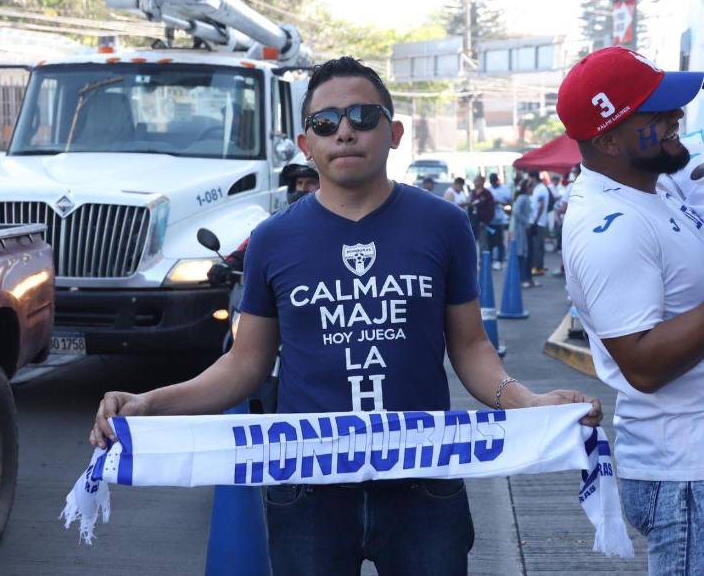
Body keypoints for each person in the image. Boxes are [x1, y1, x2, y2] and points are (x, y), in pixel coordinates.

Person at [91, 56, 602, 576]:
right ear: (305, 142)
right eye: (325, 123)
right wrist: (152, 404)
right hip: (307, 487)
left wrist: (530, 402)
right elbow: (246, 365)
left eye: (363, 116)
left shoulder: (444, 225)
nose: (345, 132)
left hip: (423, 481)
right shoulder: (273, 239)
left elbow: (470, 348)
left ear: (395, 132)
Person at [558, 46, 704, 575]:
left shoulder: (654, 186)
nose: (678, 118)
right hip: (684, 474)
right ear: (609, 139)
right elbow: (642, 365)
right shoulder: (610, 226)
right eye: (658, 112)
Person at [207, 159, 319, 284]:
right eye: (299, 182)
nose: (303, 188)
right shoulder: (278, 223)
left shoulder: (335, 221)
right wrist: (228, 265)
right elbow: (252, 247)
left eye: (310, 183)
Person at [510, 179, 537, 288]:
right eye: (531, 187)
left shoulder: (526, 198)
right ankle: (523, 279)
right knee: (522, 254)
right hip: (521, 231)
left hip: (526, 230)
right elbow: (516, 212)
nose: (533, 189)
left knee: (528, 254)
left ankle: (528, 278)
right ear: (527, 187)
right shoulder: (522, 198)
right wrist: (526, 222)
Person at [487, 172, 512, 270]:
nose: (493, 183)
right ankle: (490, 260)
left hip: (501, 219)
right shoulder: (488, 190)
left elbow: (510, 201)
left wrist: (500, 202)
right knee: (490, 241)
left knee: (500, 241)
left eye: (494, 181)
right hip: (490, 219)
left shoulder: (504, 189)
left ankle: (500, 260)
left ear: (497, 180)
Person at [527, 171, 549, 276]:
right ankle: (538, 266)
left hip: (539, 222)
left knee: (538, 245)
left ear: (534, 178)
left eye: (529, 179)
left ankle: (538, 267)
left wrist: (535, 220)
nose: (529, 181)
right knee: (537, 245)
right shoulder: (538, 188)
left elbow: (541, 205)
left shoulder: (541, 189)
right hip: (538, 221)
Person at [468, 174, 494, 253]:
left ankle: (484, 263)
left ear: (482, 182)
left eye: (477, 181)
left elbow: (491, 209)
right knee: (471, 243)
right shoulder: (472, 193)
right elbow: (469, 205)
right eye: (475, 181)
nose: (475, 182)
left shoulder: (487, 194)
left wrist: (486, 221)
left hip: (482, 222)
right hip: (472, 222)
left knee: (483, 244)